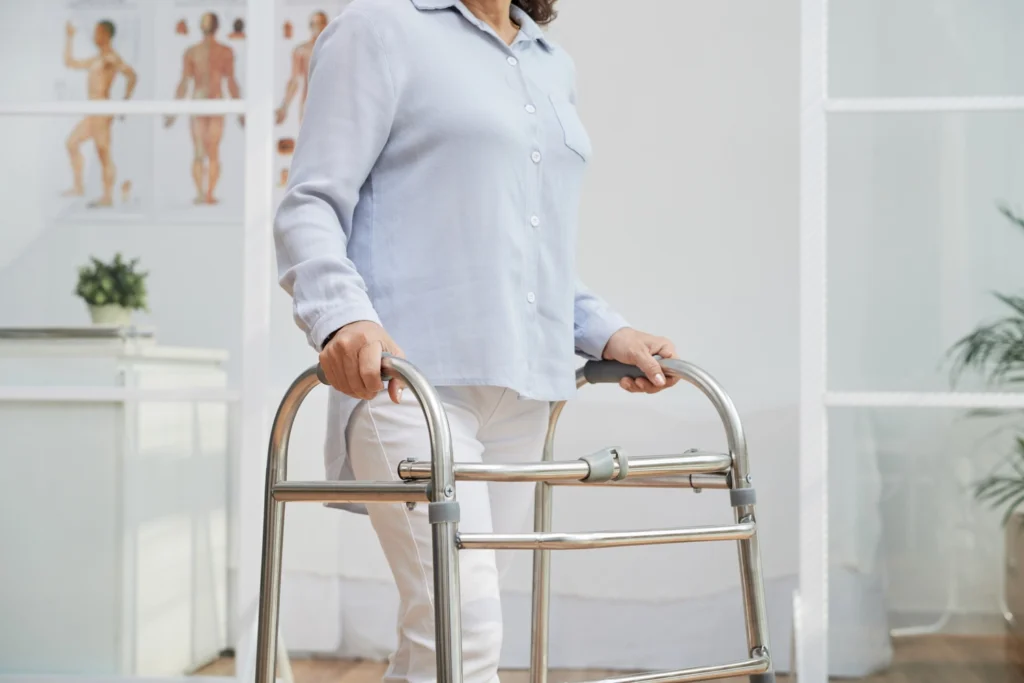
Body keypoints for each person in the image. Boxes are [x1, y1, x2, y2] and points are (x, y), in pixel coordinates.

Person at [273, 1, 680, 682]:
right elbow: (310, 202)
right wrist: (341, 318)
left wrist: (607, 330)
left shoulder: (551, 64)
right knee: (465, 633)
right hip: (411, 386)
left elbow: (531, 250)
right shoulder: (379, 28)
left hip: (526, 393)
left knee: (441, 636)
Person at [165, 12, 242, 205]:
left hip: (216, 101)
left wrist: (241, 110)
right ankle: (201, 193)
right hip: (198, 101)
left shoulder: (225, 51)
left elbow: (231, 81)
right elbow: (184, 81)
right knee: (199, 150)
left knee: (213, 149)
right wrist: (173, 110)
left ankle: (209, 193)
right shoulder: (192, 51)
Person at [63, 20, 137, 207]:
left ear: (105, 34)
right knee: (72, 143)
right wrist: (69, 37)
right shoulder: (97, 58)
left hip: (102, 109)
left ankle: (107, 197)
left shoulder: (111, 58)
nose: (94, 36)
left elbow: (131, 75)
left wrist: (126, 100)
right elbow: (70, 62)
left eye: (97, 32)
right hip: (93, 110)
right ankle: (78, 186)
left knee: (103, 152)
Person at [275, 11, 328, 125]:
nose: (316, 27)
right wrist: (284, 106)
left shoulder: (333, 49)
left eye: (320, 23)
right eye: (313, 24)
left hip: (330, 103)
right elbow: (294, 81)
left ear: (325, 24)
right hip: (309, 103)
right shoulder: (301, 50)